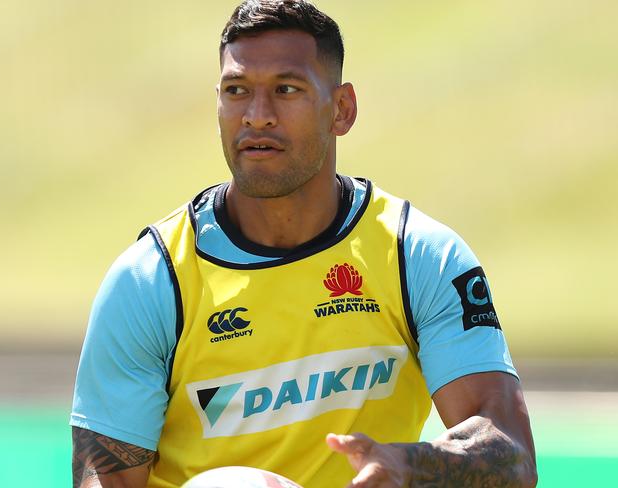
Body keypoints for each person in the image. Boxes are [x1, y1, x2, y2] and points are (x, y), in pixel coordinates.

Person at [70, 1, 537, 487]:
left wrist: (410, 465)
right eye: (237, 91)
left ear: (342, 109)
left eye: (286, 90)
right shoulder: (152, 280)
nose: (257, 116)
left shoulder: (417, 256)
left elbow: (513, 457)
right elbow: (104, 480)